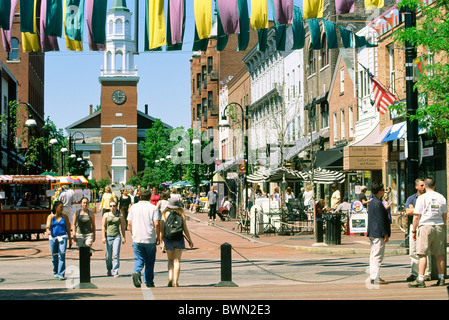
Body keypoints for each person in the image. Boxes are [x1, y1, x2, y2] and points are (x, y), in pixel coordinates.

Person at [408, 178, 447, 288]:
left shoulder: (422, 198)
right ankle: (441, 278)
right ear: (435, 185)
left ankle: (421, 279)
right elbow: (445, 214)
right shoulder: (441, 197)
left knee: (422, 254)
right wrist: (443, 225)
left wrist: (414, 231)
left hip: (425, 226)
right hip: (438, 225)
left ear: (424, 186)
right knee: (439, 254)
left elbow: (416, 216)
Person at [127, 189, 161, 288]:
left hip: (137, 237)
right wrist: (158, 236)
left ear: (140, 196)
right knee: (150, 261)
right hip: (149, 237)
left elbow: (129, 223)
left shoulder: (133, 207)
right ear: (150, 197)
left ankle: (136, 271)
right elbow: (157, 223)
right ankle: (149, 281)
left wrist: (132, 234)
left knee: (139, 258)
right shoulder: (153, 208)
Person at [160, 198, 194, 287]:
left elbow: (162, 229)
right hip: (179, 239)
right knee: (177, 260)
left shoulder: (165, 214)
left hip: (168, 239)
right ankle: (176, 282)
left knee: (170, 260)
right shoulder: (181, 214)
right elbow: (185, 229)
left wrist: (162, 241)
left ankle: (170, 277)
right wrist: (190, 240)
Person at [404, 178, 431, 282]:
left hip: (425, 225)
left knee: (425, 250)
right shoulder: (411, 198)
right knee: (413, 250)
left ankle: (427, 273)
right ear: (416, 187)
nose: (423, 187)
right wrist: (421, 210)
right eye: (421, 185)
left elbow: (428, 211)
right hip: (413, 225)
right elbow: (407, 211)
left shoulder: (428, 197)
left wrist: (414, 209)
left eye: (424, 185)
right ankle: (414, 273)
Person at [367, 182, 390, 285]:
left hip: (372, 232)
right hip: (378, 233)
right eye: (383, 189)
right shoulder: (378, 203)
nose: (384, 191)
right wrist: (385, 233)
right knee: (377, 256)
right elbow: (381, 220)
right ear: (380, 191)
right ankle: (374, 277)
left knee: (373, 255)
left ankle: (374, 276)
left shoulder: (372, 202)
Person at [45, 200, 72, 281]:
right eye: (60, 207)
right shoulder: (51, 216)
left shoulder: (65, 217)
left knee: (62, 255)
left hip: (63, 237)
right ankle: (55, 271)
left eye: (62, 207)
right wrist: (48, 230)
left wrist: (70, 239)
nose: (62, 208)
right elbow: (48, 226)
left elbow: (68, 228)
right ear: (56, 208)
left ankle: (61, 273)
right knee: (54, 256)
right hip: (53, 238)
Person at [102, 201, 126, 277]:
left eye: (114, 206)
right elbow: (103, 226)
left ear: (116, 207)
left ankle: (115, 271)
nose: (113, 207)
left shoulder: (119, 215)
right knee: (108, 256)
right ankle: (109, 269)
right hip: (108, 236)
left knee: (116, 254)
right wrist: (103, 237)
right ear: (109, 207)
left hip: (117, 236)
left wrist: (123, 237)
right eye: (111, 206)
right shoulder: (106, 215)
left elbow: (122, 227)